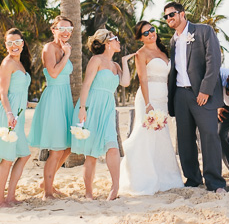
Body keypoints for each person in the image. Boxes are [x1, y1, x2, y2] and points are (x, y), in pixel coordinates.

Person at [165, 2, 228, 193]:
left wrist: (205, 90)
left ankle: (215, 182)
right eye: (166, 17)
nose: (169, 19)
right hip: (180, 94)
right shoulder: (173, 41)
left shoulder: (204, 31)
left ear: (182, 14)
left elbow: (214, 61)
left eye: (172, 14)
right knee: (184, 139)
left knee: (209, 136)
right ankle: (193, 179)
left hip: (202, 94)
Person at [119, 21, 184, 195]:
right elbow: (143, 80)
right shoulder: (141, 54)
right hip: (148, 99)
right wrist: (148, 104)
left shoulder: (163, 51)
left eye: (152, 30)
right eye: (145, 33)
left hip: (163, 98)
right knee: (145, 135)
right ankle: (141, 178)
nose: (150, 34)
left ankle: (165, 178)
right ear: (140, 38)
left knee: (161, 137)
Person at [72, 29, 130, 200]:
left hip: (108, 108)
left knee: (112, 146)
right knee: (91, 153)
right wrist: (82, 108)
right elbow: (86, 85)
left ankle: (115, 187)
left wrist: (125, 62)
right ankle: (89, 193)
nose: (119, 41)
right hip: (92, 105)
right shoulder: (96, 60)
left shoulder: (116, 65)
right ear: (107, 43)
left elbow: (125, 82)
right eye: (115, 38)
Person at [0, 28, 32, 207]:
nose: (14, 46)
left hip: (18, 115)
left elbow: (19, 89)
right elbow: (2, 93)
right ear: (6, 45)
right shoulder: (7, 63)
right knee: (7, 158)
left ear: (22, 43)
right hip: (8, 115)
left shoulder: (21, 63)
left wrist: (23, 102)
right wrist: (10, 113)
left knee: (24, 155)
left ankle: (10, 196)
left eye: (17, 42)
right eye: (9, 43)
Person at [27, 16, 74, 199]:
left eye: (69, 29)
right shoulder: (49, 48)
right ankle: (47, 191)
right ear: (54, 29)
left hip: (65, 98)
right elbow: (53, 73)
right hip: (54, 97)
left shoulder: (64, 47)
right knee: (56, 149)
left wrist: (66, 52)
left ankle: (46, 181)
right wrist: (67, 55)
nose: (66, 32)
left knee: (68, 146)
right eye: (62, 28)